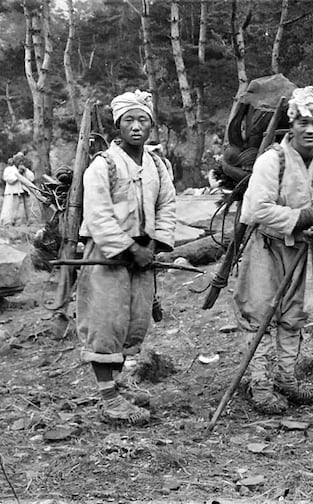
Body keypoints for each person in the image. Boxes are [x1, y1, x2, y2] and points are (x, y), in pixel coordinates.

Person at [233, 86, 313, 414]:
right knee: (259, 314)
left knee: (294, 316)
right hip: (267, 247)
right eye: (303, 123)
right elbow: (256, 209)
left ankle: (286, 378)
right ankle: (260, 384)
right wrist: (302, 217)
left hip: (302, 251)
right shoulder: (273, 161)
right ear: (292, 124)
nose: (310, 130)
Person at [76, 90, 176, 425]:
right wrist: (129, 249)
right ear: (118, 126)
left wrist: (155, 244)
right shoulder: (102, 165)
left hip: (144, 256)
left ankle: (118, 385)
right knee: (106, 322)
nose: (136, 127)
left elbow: (167, 205)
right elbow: (98, 214)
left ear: (151, 125)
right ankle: (109, 400)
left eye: (142, 120)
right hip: (108, 256)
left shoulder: (158, 165)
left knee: (134, 321)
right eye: (128, 120)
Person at [0, 152, 35, 226]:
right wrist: (18, 174)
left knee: (20, 210)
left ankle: (18, 223)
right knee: (9, 209)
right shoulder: (9, 169)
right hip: (11, 193)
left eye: (22, 161)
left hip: (21, 193)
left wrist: (25, 171)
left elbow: (32, 178)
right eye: (19, 160)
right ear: (15, 161)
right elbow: (8, 179)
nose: (21, 162)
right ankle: (7, 223)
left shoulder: (25, 170)